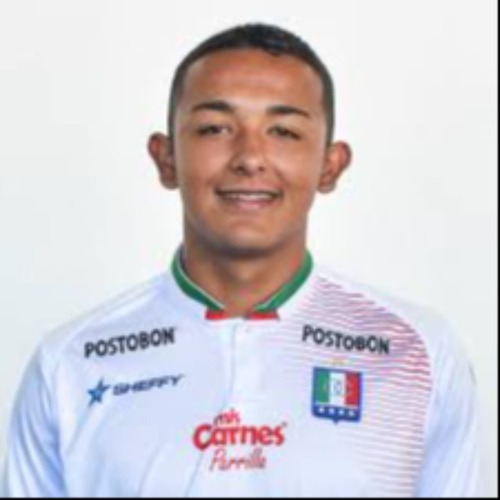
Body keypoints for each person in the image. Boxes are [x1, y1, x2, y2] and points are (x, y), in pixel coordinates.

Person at [2, 23, 479, 498]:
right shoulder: (71, 363)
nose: (250, 157)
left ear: (330, 165)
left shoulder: (416, 354)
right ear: (166, 158)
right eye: (215, 129)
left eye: (284, 131)